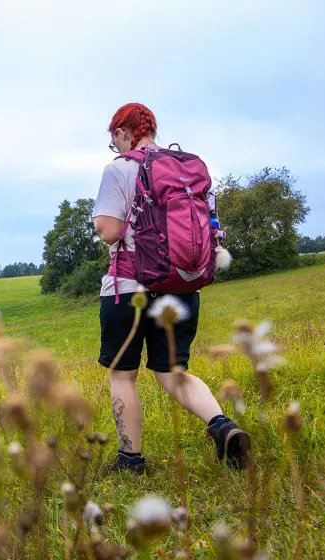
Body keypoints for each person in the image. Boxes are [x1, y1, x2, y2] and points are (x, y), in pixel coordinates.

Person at [93, 103, 250, 474]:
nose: (114, 148)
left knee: (122, 374)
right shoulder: (188, 169)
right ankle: (223, 427)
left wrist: (102, 224)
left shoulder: (119, 169)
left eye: (113, 139)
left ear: (122, 133)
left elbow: (109, 231)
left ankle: (130, 461)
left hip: (129, 288)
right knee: (173, 371)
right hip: (182, 285)